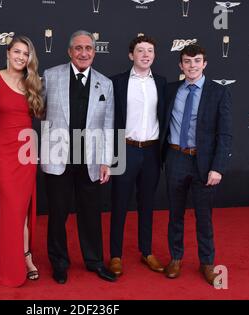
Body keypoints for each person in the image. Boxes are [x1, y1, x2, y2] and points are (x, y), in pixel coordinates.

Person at [40, 30, 116, 284]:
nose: (84, 53)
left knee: (91, 213)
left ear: (95, 52)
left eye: (89, 48)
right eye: (78, 48)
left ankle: (94, 261)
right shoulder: (51, 77)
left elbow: (108, 125)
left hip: (91, 159)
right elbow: (37, 111)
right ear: (69, 51)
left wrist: (106, 160)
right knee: (58, 213)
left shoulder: (105, 83)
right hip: (57, 157)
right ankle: (59, 263)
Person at [161, 44, 232, 285]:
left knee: (204, 217)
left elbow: (225, 134)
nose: (192, 66)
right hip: (176, 158)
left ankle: (207, 262)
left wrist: (218, 167)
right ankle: (176, 258)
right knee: (175, 215)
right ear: (181, 65)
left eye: (197, 61)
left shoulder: (218, 92)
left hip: (204, 163)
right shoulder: (171, 90)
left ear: (205, 64)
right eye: (187, 61)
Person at [0, 36, 44, 287]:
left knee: (23, 207)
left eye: (26, 54)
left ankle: (26, 256)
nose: (21, 57)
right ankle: (13, 264)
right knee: (11, 207)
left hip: (27, 150)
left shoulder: (33, 82)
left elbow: (41, 116)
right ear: (8, 53)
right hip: (4, 150)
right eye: (17, 52)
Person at [109, 35, 166, 276]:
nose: (145, 55)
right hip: (125, 149)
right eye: (140, 51)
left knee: (147, 204)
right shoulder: (117, 82)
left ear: (154, 55)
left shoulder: (162, 83)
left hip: (152, 151)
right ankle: (115, 255)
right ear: (131, 55)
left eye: (150, 51)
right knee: (119, 203)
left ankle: (147, 251)